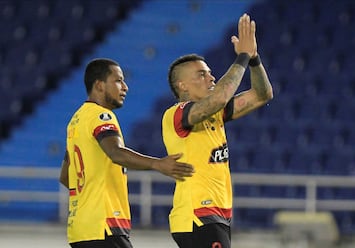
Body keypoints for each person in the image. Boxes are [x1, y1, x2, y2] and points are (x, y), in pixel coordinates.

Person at [162, 13, 273, 248]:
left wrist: (254, 59)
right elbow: (221, 97)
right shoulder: (177, 114)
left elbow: (262, 95)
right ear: (182, 85)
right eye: (202, 74)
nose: (211, 77)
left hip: (216, 214)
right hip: (197, 214)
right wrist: (242, 55)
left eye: (210, 72)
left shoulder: (214, 114)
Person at [59, 58, 194, 248]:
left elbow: (65, 176)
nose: (125, 87)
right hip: (104, 224)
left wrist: (90, 193)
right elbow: (115, 153)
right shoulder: (101, 116)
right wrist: (158, 164)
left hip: (80, 229)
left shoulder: (76, 121)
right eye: (118, 80)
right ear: (99, 85)